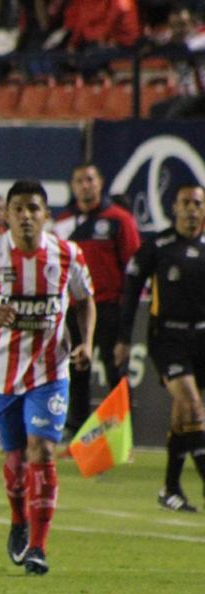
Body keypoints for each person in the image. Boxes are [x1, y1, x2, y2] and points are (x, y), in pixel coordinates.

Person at [0, 179, 94, 576]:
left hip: (51, 371)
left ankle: (38, 546)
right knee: (15, 460)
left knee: (42, 451)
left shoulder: (67, 254)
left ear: (46, 214)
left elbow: (85, 301)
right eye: (18, 209)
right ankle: (18, 520)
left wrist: (86, 342)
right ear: (7, 215)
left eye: (34, 208)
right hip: (2, 373)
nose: (26, 216)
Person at [116, 183, 205, 512]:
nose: (192, 209)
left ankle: (170, 488)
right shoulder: (158, 246)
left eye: (198, 203)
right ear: (175, 208)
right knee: (192, 404)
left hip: (202, 338)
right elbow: (131, 288)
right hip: (167, 337)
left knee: (183, 414)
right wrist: (124, 337)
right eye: (186, 203)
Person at [51, 163, 140, 441]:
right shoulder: (63, 222)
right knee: (75, 370)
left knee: (116, 371)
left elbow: (133, 267)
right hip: (74, 309)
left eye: (90, 179)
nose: (85, 185)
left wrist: (126, 313)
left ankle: (123, 435)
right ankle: (76, 431)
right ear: (73, 186)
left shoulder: (119, 219)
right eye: (79, 180)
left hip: (109, 307)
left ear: (100, 183)